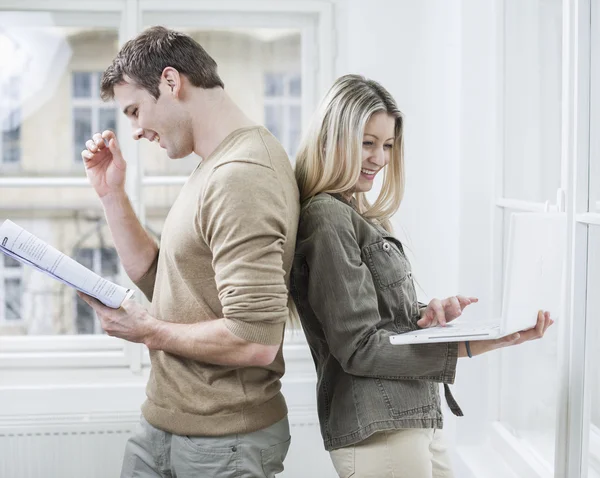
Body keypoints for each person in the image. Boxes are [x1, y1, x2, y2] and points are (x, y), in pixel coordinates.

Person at [290, 74, 554, 478]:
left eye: (388, 145)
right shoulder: (327, 217)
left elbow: (373, 315)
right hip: (382, 432)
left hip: (413, 416)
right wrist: (480, 342)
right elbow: (359, 347)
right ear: (333, 138)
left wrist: (423, 314)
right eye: (367, 142)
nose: (379, 158)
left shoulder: (355, 213)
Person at [78, 26, 299, 478]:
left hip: (222, 444)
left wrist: (146, 331)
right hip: (165, 425)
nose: (136, 131)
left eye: (136, 110)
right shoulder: (213, 166)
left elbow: (255, 339)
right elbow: (164, 279)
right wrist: (112, 195)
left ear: (171, 82)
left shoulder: (242, 175)